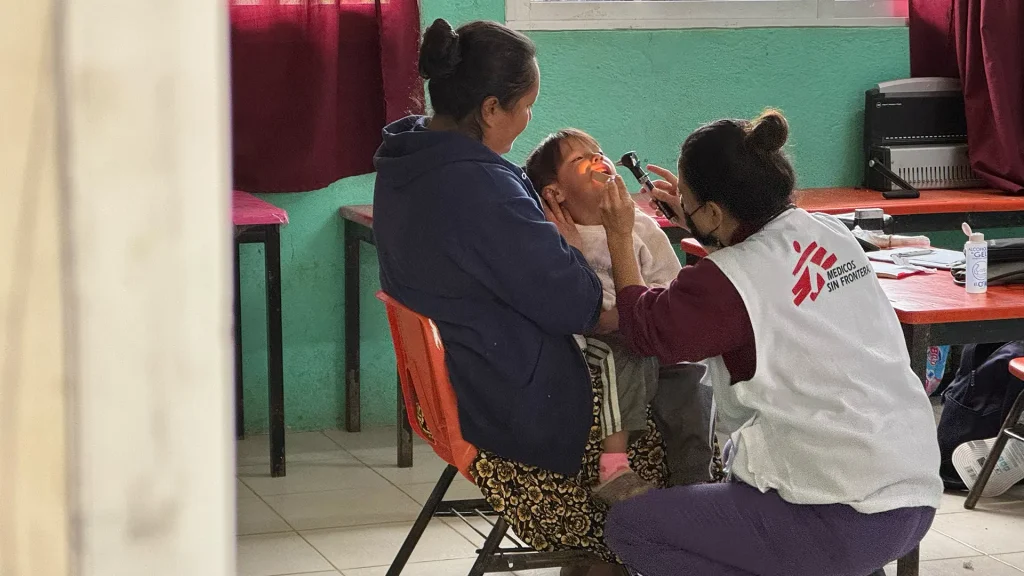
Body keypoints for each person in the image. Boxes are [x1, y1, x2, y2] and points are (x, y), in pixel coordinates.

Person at [594, 110, 943, 576]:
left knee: (633, 526)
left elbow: (646, 329)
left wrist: (620, 233)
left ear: (716, 211)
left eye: (691, 200)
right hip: (912, 491)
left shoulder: (726, 281)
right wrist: (705, 225)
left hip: (838, 510)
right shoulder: (830, 231)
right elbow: (763, 278)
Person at [371, 18, 666, 566]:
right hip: (511, 409)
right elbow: (580, 307)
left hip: (462, 390)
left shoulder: (408, 156)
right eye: (526, 105)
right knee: (669, 407)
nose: (529, 119)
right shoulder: (484, 189)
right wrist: (606, 241)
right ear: (489, 109)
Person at [524, 129, 687, 501]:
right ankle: (613, 467)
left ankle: (694, 479)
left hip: (643, 330)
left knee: (693, 377)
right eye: (580, 160)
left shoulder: (642, 226)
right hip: (587, 339)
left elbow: (668, 282)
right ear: (554, 193)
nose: (599, 159)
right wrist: (573, 254)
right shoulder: (555, 237)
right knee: (622, 356)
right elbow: (565, 304)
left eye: (598, 152)